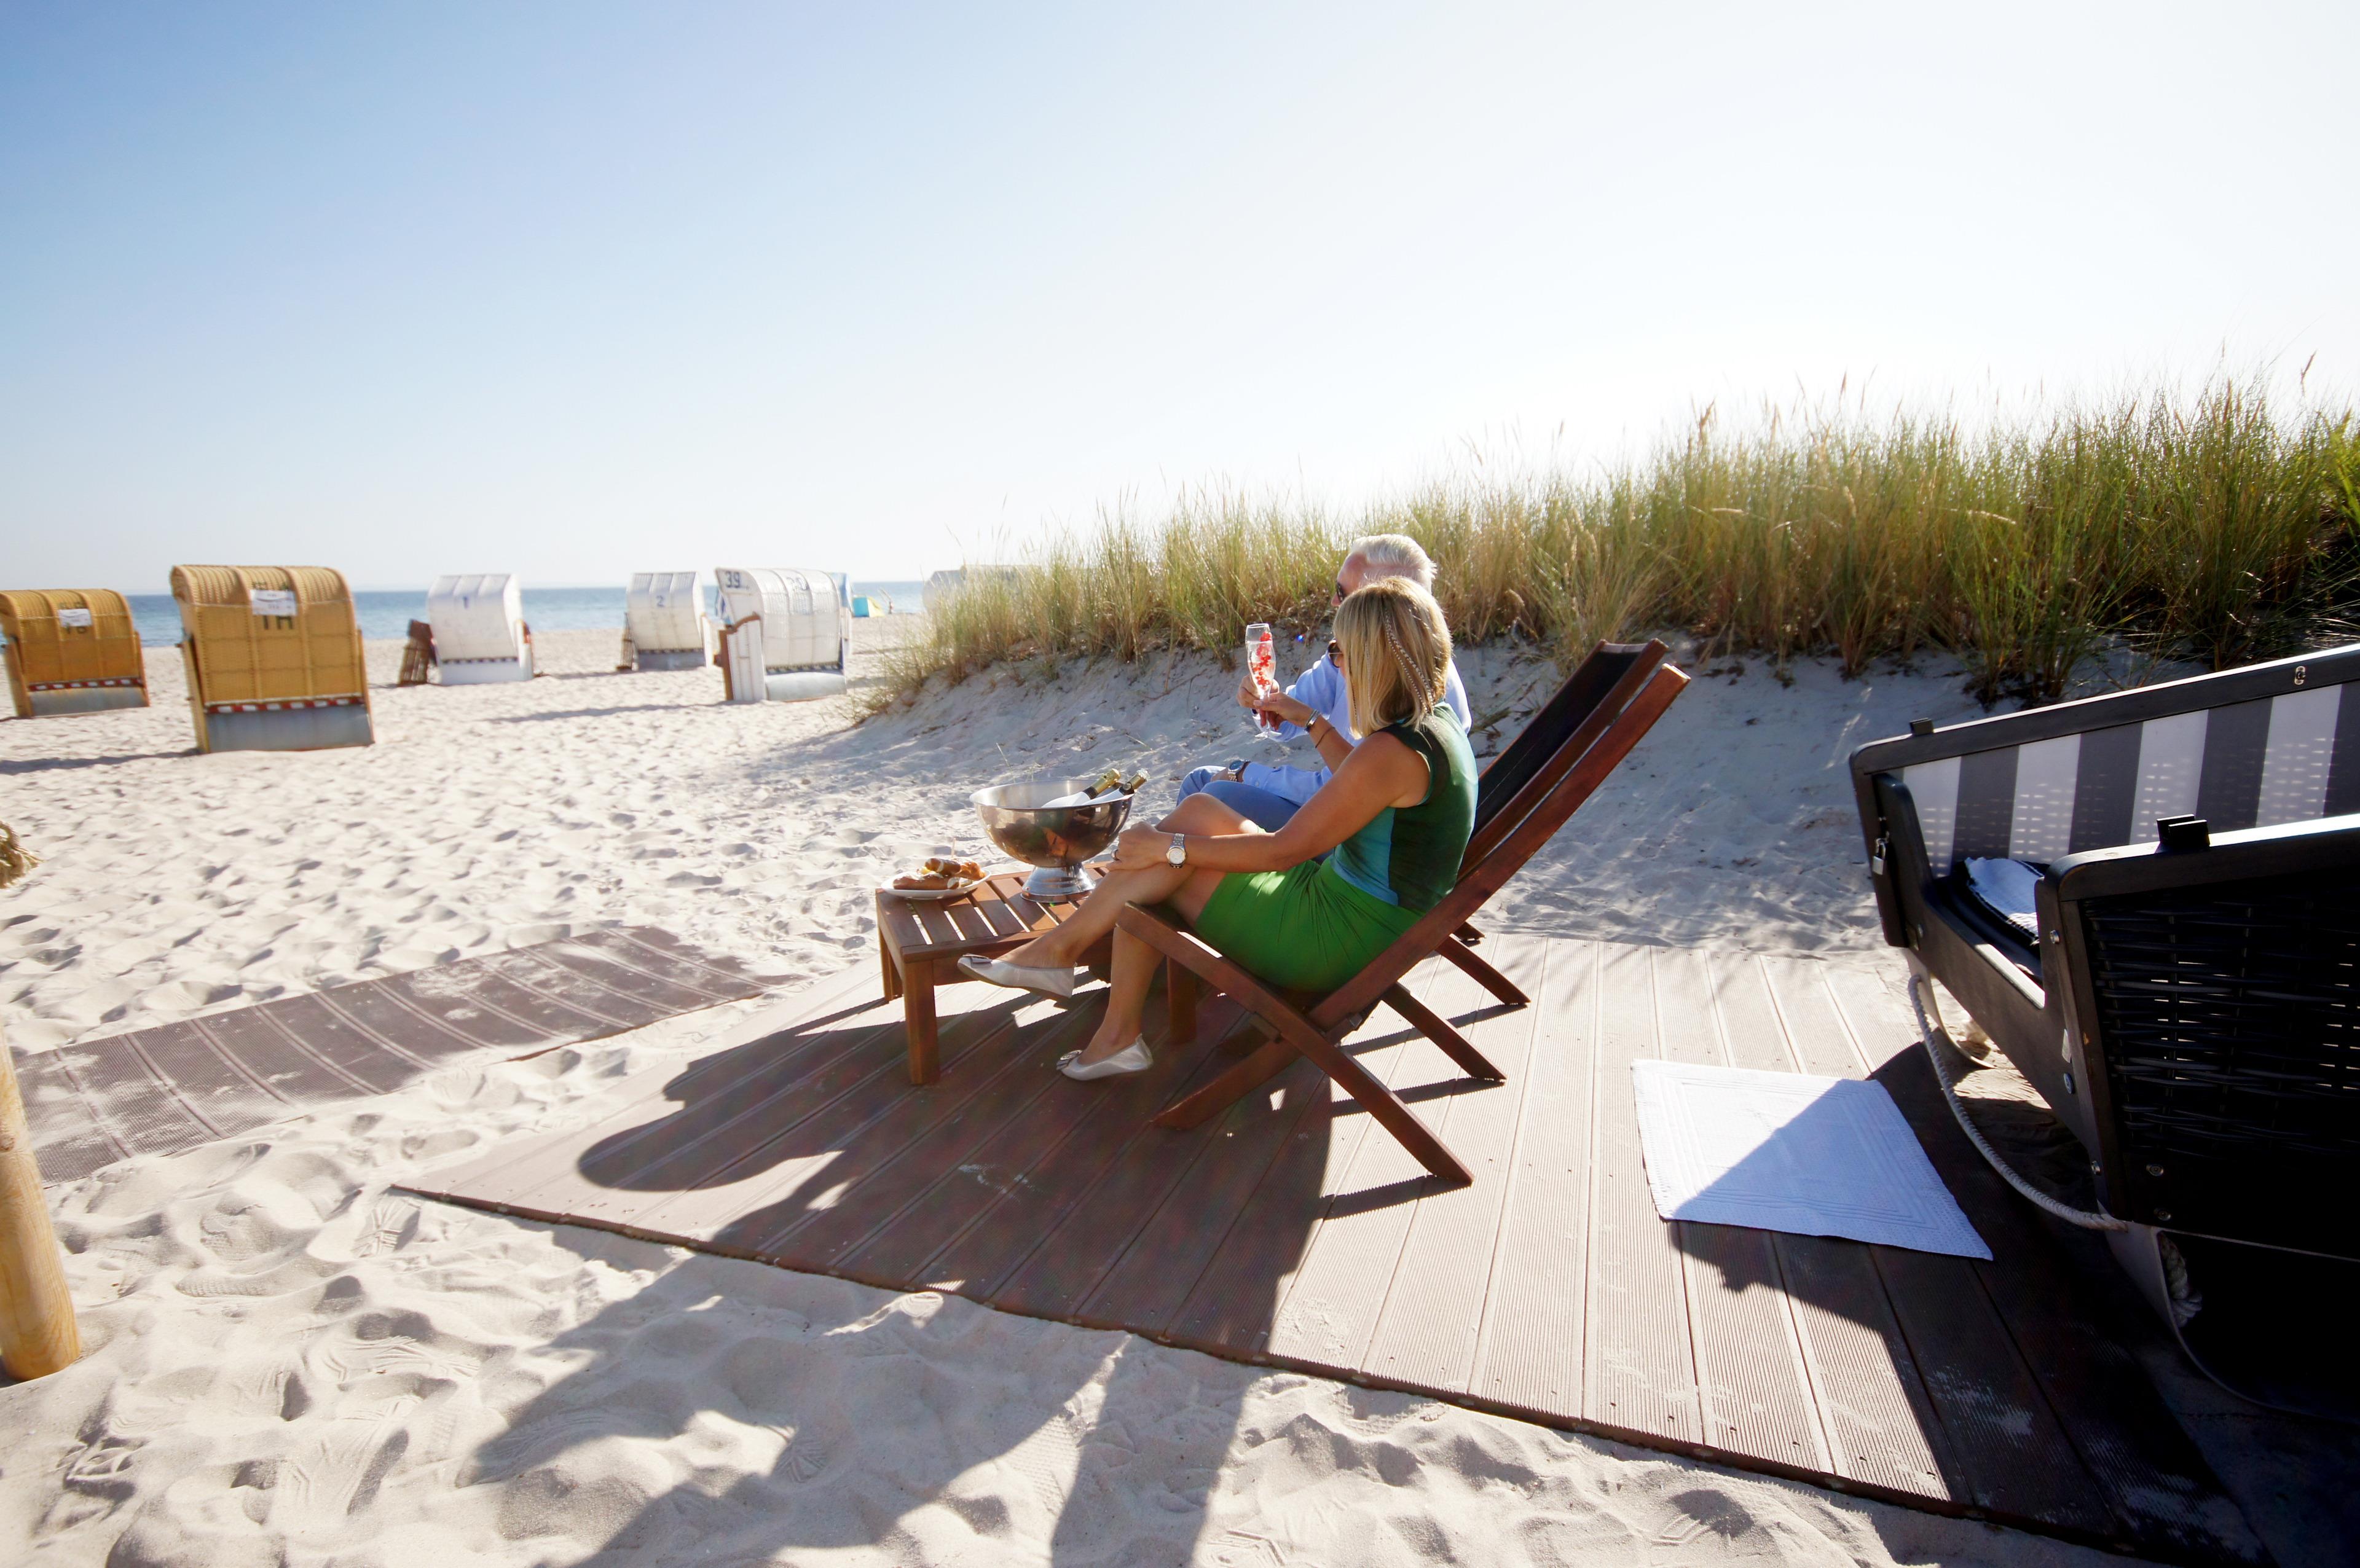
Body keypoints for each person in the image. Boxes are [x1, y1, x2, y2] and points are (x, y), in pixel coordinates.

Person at [959, 578, 1476, 1080]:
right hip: (1363, 915)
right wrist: (1310, 720)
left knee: (1160, 868)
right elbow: (1361, 782)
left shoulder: (1391, 752)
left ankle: (1085, 990)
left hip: (1332, 938)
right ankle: (1076, 979)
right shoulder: (1434, 726)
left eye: (1340, 653)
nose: (1338, 666)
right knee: (1200, 810)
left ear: (1374, 657)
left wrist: (1169, 848)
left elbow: (1285, 852)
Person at [1179, 535, 1471, 832]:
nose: (1333, 601)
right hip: (1345, 807)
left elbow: (1345, 789)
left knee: (1213, 794)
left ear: (1384, 605)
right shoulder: (1360, 658)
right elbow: (1288, 724)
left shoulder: (1416, 692)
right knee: (1201, 782)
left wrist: (1244, 772)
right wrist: (1267, 704)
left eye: (1343, 594)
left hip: (1359, 830)